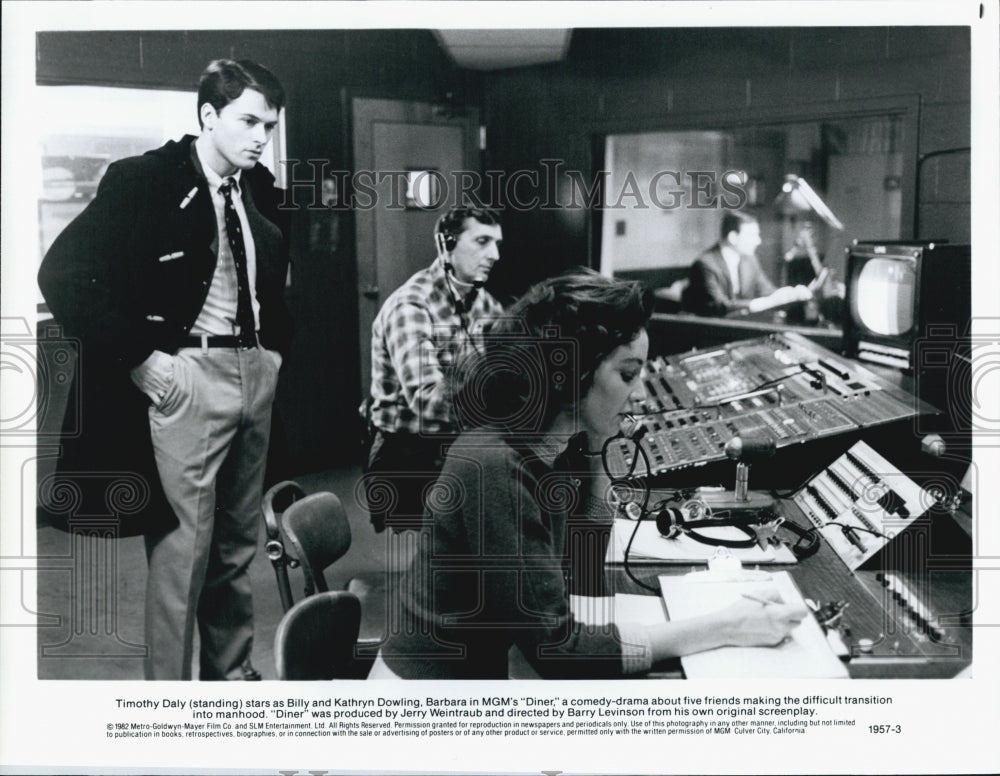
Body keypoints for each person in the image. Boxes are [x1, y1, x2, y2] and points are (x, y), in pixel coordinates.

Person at [368, 270, 807, 679]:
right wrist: (726, 626)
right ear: (571, 377)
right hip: (426, 700)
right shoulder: (493, 467)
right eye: (627, 374)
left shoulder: (553, 445)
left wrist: (597, 447)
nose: (639, 393)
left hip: (486, 678)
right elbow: (559, 653)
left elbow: (584, 559)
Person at [37, 59, 291, 680]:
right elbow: (63, 275)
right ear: (209, 115)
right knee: (185, 554)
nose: (262, 137)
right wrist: (139, 359)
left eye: (271, 125)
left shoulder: (257, 188)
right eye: (249, 121)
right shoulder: (144, 180)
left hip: (253, 370)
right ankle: (171, 704)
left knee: (237, 550)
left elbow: (269, 285)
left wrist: (271, 355)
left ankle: (230, 679)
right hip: (189, 377)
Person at [363, 206, 504, 533]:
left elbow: (511, 358)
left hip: (455, 443)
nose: (494, 254)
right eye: (482, 241)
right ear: (447, 244)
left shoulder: (480, 300)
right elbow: (429, 403)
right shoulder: (411, 305)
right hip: (409, 454)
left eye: (496, 244)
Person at [682, 211, 812, 317]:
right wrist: (761, 303)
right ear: (733, 237)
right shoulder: (705, 264)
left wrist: (789, 294)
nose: (758, 241)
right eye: (752, 235)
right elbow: (719, 306)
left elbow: (766, 291)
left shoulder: (750, 260)